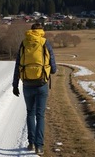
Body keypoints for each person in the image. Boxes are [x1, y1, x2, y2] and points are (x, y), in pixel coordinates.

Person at [12, 23, 57, 154]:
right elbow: (53, 68)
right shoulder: (45, 42)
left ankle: (31, 143)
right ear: (41, 30)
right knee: (40, 115)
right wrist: (48, 70)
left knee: (30, 113)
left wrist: (15, 85)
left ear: (31, 30)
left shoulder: (24, 43)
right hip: (42, 83)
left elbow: (18, 65)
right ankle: (39, 146)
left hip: (27, 84)